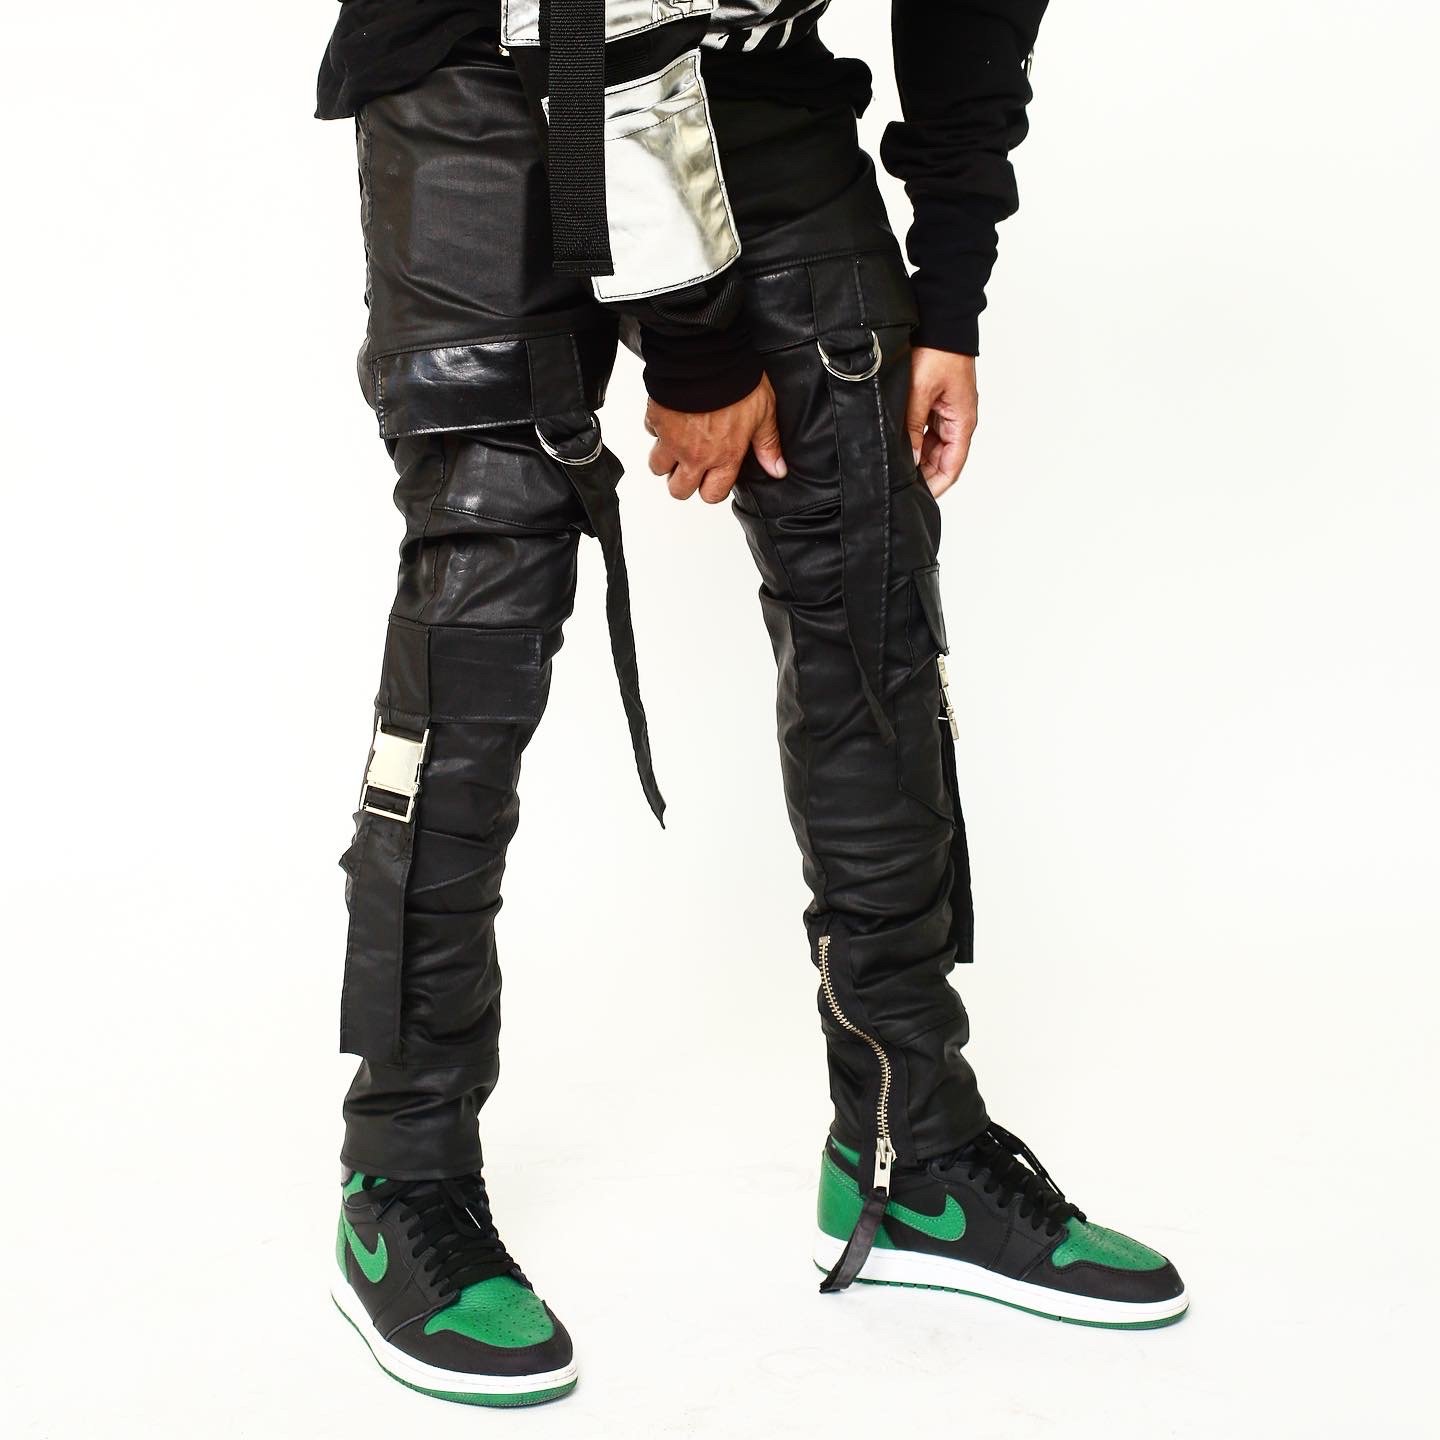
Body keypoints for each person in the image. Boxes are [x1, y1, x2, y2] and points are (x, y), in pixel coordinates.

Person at [317, 0, 1187, 1407]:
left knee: (871, 593)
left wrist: (950, 291)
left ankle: (914, 1150)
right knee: (479, 618)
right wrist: (701, 351)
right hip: (487, 80)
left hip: (754, 91)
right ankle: (399, 1172)